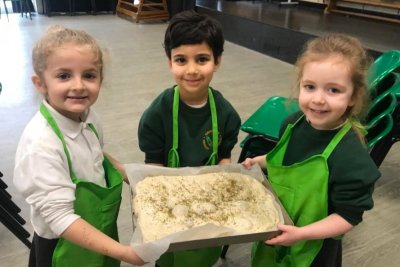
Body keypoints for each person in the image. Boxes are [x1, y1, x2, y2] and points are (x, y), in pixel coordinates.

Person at [242, 34, 381, 267]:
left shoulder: (351, 159)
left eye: (333, 90)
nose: (318, 99)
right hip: (277, 226)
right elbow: (286, 157)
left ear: (353, 97)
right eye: (310, 87)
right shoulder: (292, 123)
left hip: (313, 248)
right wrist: (261, 161)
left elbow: (348, 217)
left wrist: (302, 233)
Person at [13, 25, 144, 267]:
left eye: (89, 75)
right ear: (40, 83)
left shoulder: (89, 117)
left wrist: (132, 176)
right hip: (62, 246)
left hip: (95, 230)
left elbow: (94, 154)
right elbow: (60, 218)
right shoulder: (40, 145)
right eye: (64, 76)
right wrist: (124, 253)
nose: (79, 85)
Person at [138, 10, 241, 267]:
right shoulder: (156, 114)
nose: (192, 70)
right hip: (170, 203)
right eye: (181, 60)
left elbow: (225, 157)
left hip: (209, 204)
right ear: (169, 62)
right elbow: (153, 167)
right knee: (170, 258)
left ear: (217, 61)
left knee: (202, 255)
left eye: (202, 59)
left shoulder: (227, 114)